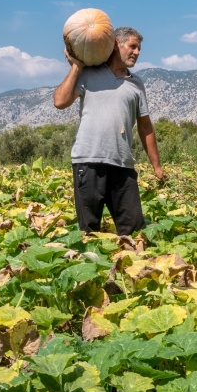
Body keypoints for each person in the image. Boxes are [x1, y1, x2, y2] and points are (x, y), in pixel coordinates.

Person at [54, 26, 166, 235]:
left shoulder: (136, 84)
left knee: (134, 231)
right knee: (88, 231)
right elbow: (60, 102)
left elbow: (145, 126)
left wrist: (157, 166)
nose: (137, 52)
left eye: (139, 49)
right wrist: (76, 67)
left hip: (123, 164)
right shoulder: (88, 74)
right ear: (116, 44)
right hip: (88, 161)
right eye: (132, 46)